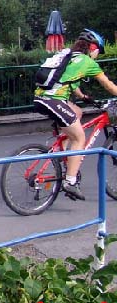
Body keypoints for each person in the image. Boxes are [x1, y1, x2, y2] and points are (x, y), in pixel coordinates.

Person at [34, 28, 117, 201]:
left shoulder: (69, 55)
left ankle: (65, 155)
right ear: (93, 47)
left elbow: (66, 79)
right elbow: (108, 85)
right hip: (54, 101)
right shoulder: (88, 62)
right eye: (98, 52)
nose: (97, 55)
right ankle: (70, 182)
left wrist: (83, 96)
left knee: (77, 112)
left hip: (41, 98)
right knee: (79, 138)